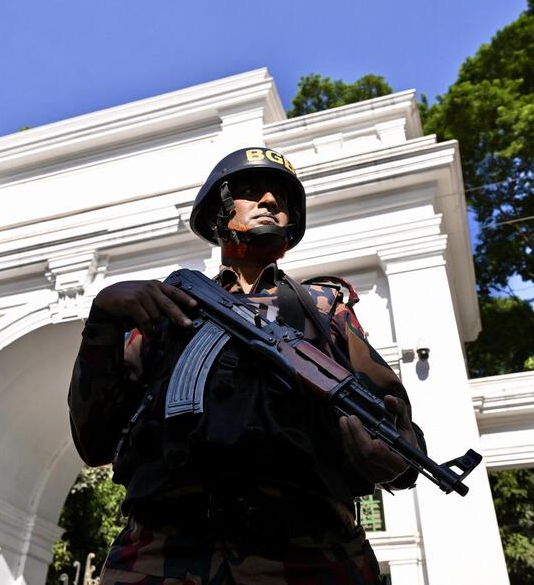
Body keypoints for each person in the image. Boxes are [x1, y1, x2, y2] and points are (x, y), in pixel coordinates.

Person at [68, 147, 423, 584]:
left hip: (309, 552)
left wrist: (396, 461)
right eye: (252, 192)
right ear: (218, 209)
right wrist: (103, 320)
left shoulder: (324, 310)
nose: (271, 202)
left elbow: (399, 429)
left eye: (282, 199)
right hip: (161, 552)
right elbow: (94, 442)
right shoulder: (166, 309)